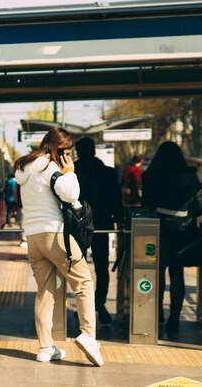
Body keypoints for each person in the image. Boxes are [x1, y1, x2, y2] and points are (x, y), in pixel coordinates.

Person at [14, 127, 103, 366]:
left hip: (33, 238)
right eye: (65, 151)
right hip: (55, 235)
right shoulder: (49, 166)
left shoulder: (26, 167)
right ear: (55, 148)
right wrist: (70, 172)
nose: (68, 157)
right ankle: (88, 335)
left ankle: (45, 347)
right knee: (83, 282)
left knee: (45, 290)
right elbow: (71, 193)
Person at [141, 141, 202, 334]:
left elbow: (146, 202)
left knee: (158, 272)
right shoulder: (190, 178)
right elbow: (199, 206)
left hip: (158, 228)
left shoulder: (151, 176)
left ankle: (158, 312)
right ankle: (174, 319)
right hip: (182, 232)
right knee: (177, 274)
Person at [74, 137, 124, 325]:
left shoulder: (73, 171)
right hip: (102, 224)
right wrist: (119, 220)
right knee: (102, 267)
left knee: (78, 267)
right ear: (94, 151)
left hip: (78, 225)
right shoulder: (108, 173)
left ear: (77, 152)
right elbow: (116, 200)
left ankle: (82, 305)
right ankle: (100, 304)